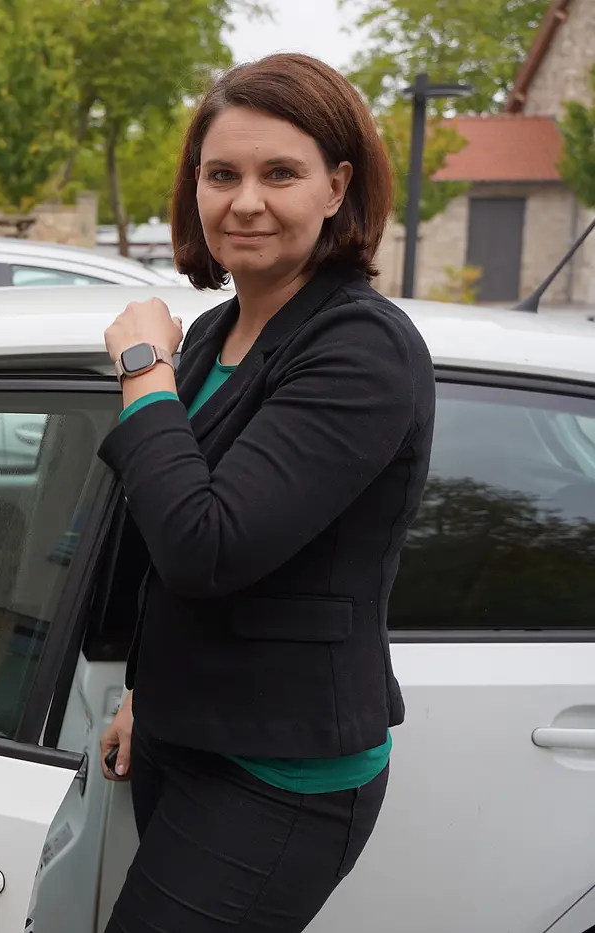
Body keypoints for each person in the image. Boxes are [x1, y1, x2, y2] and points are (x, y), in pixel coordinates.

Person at [95, 53, 436, 932]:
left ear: (337, 187)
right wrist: (147, 691)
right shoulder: (215, 333)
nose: (245, 201)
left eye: (280, 173)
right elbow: (162, 530)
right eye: (222, 175)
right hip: (186, 733)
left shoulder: (361, 348)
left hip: (281, 775)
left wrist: (143, 368)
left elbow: (205, 545)